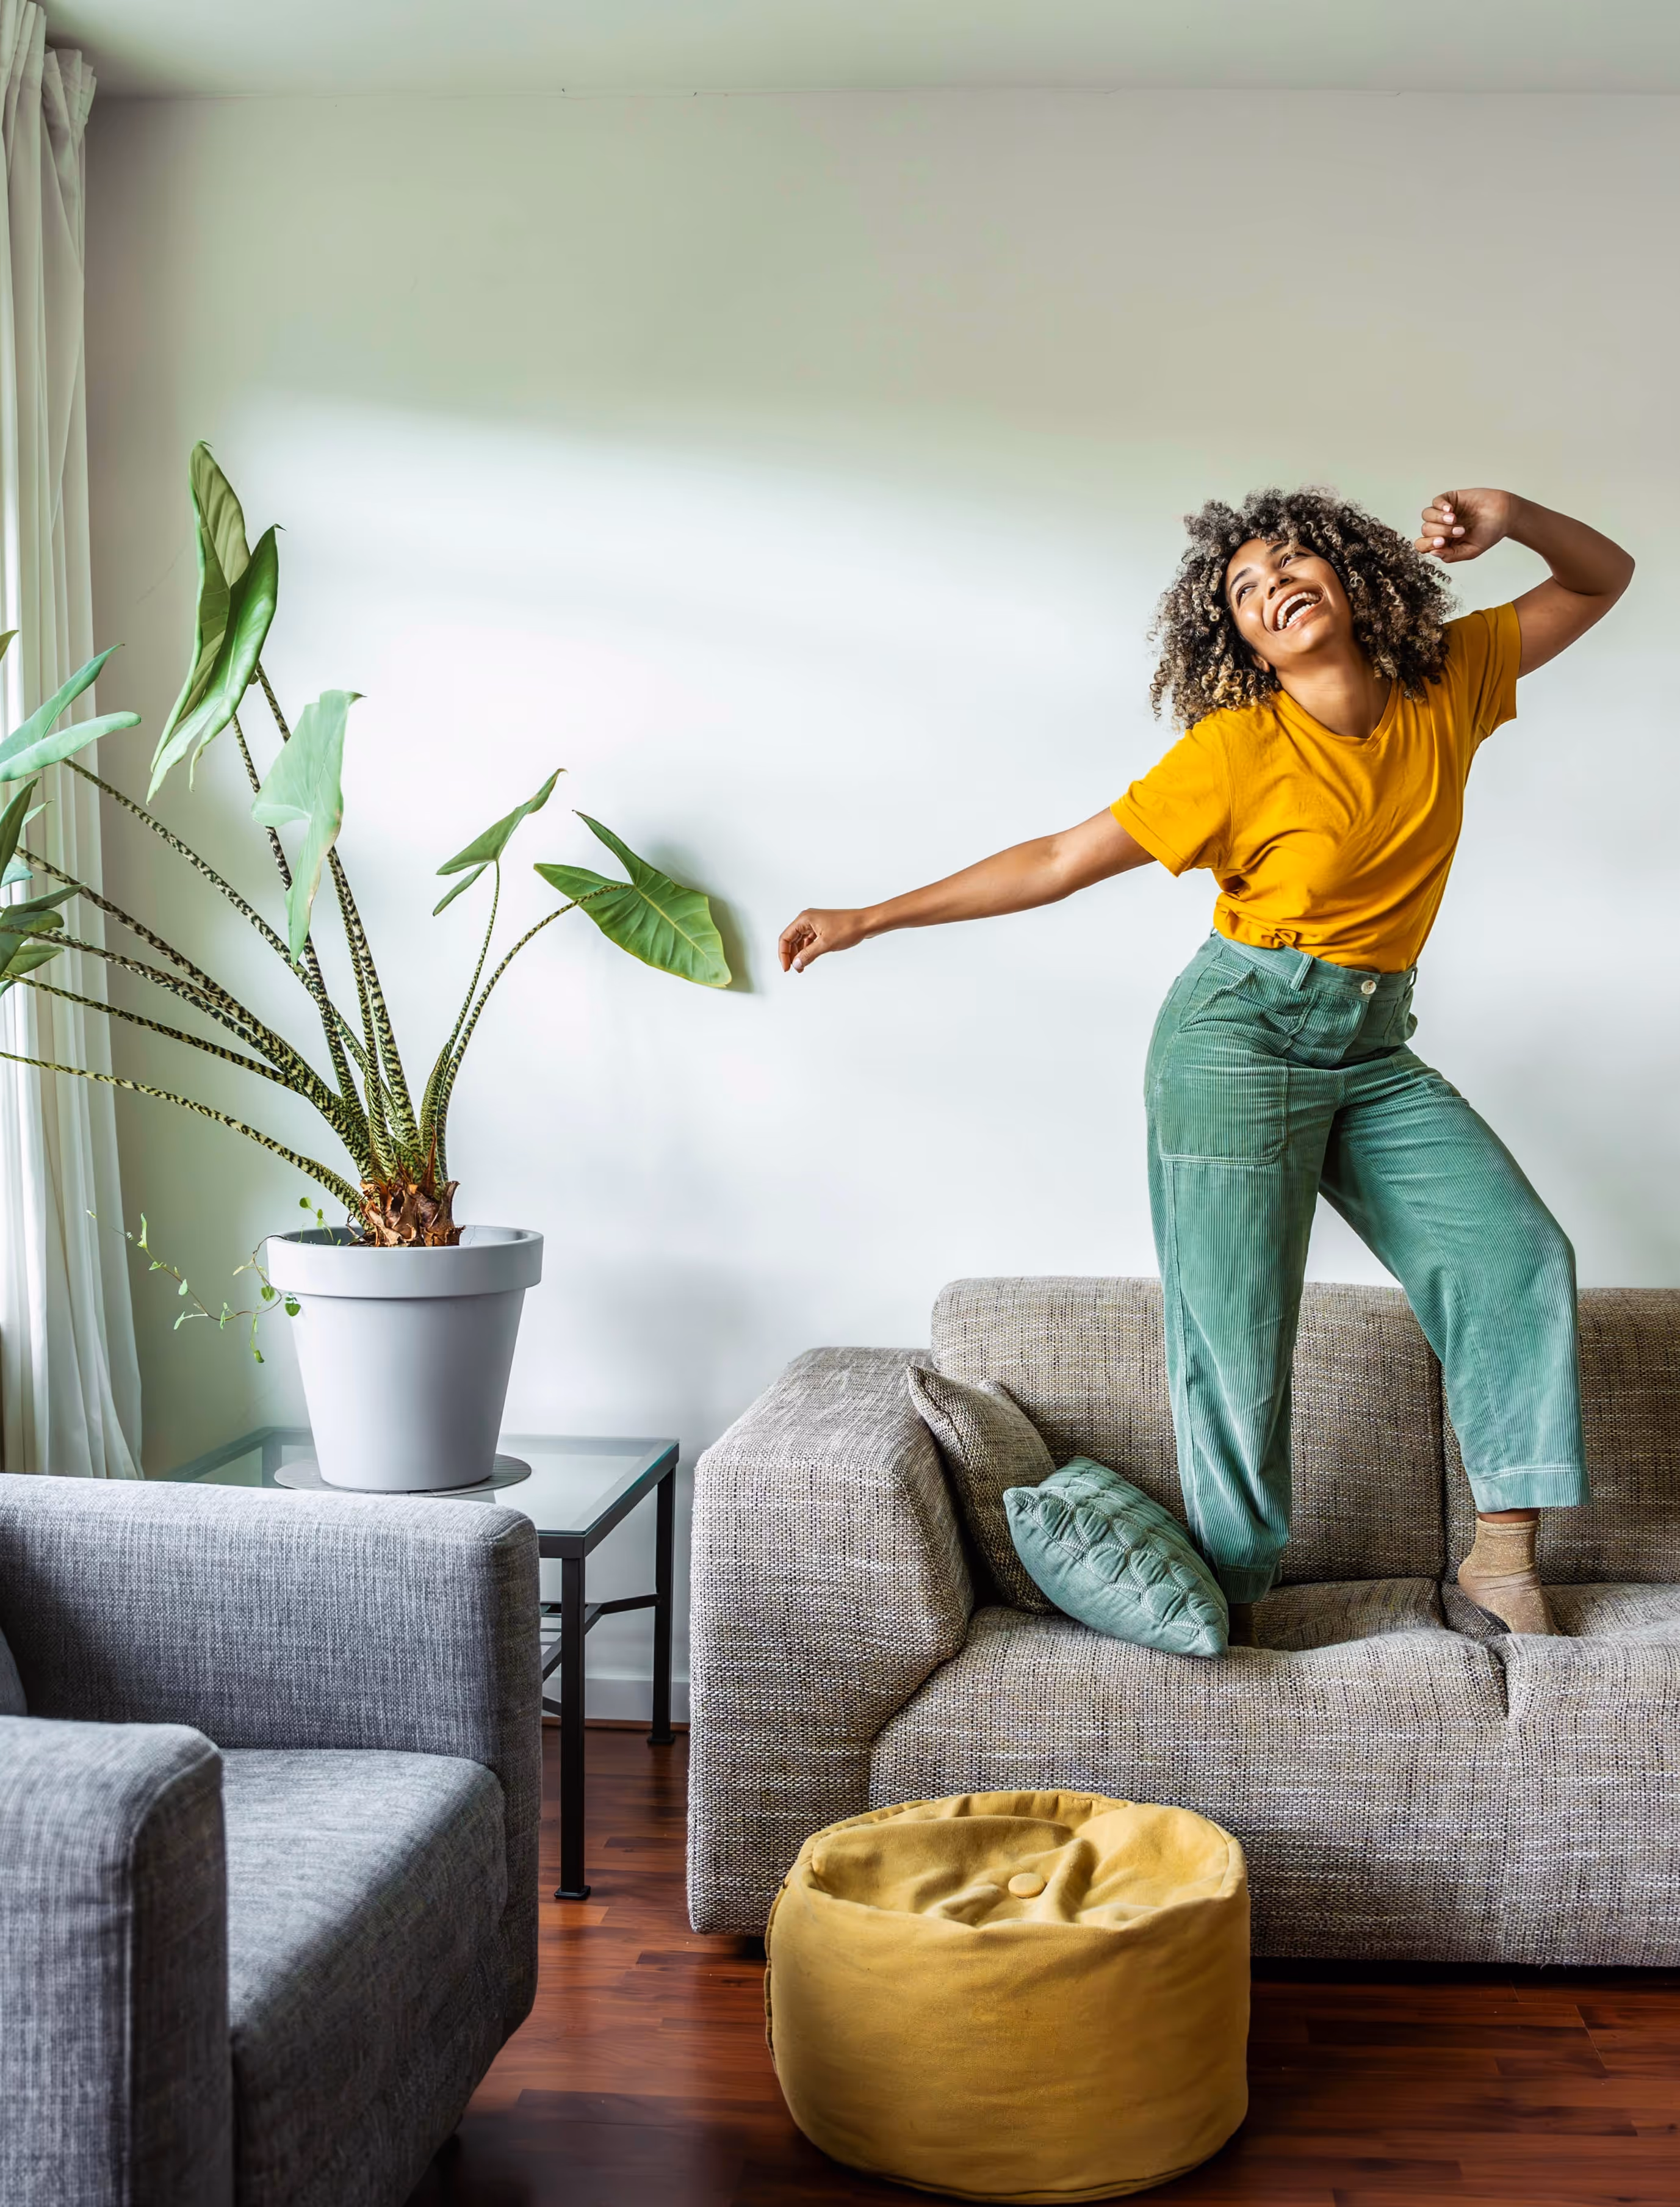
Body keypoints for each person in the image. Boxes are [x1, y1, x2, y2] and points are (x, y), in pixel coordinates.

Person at [777, 485, 1634, 1646]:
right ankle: (1232, 1604)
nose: (1272, 586)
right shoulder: (1235, 751)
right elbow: (1059, 858)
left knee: (1512, 1251)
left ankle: (1502, 1559)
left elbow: (1602, 577)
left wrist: (1516, 514)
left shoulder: (1449, 678)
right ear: (1234, 634)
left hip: (1373, 1047)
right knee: (1237, 1330)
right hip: (1238, 1039)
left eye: (1291, 562)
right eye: (1243, 588)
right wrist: (870, 917)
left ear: (1349, 573)